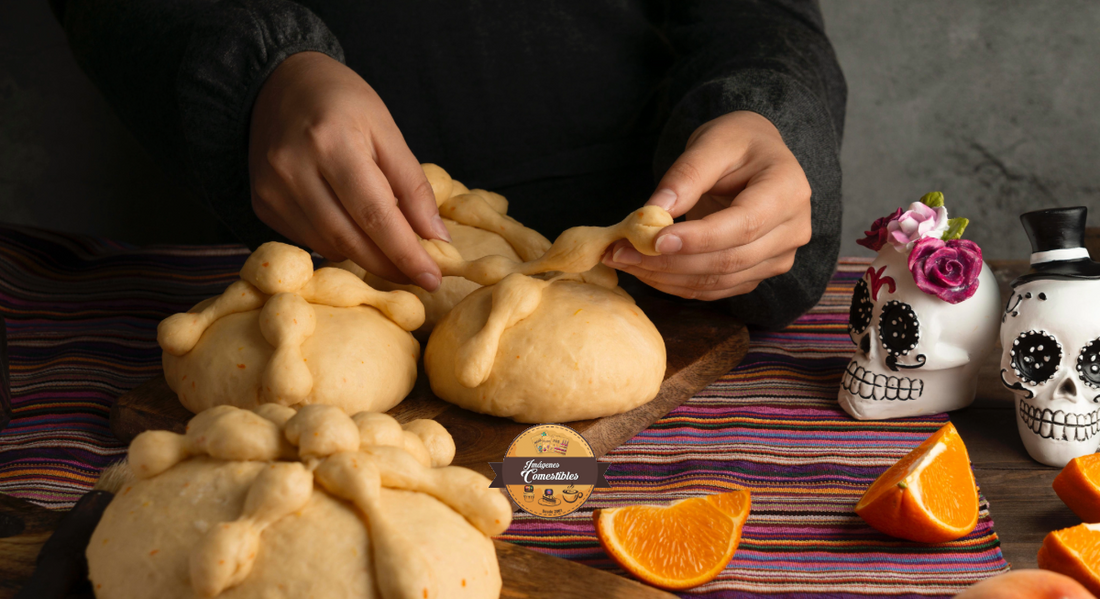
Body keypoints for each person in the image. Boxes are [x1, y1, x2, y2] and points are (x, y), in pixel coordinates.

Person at [54, 0, 845, 329]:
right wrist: (255, 71)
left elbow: (758, 14)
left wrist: (769, 116)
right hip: (305, 288)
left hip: (660, 295)